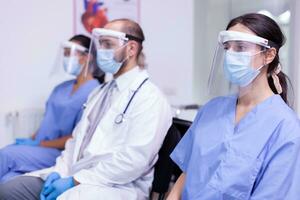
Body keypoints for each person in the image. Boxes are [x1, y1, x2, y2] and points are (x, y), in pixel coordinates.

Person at [0, 19, 172, 200]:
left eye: (108, 44)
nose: (101, 51)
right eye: (101, 44)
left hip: (115, 187)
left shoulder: (150, 98)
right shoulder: (99, 93)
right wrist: (60, 172)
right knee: (9, 190)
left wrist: (75, 181)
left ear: (131, 49)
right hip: (75, 175)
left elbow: (133, 161)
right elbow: (75, 143)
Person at [167, 13, 300, 200]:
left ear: (269, 55)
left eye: (240, 48)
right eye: (227, 48)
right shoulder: (211, 110)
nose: (230, 55)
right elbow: (188, 172)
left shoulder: (286, 127)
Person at [0, 34, 103, 183]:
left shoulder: (95, 92)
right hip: (40, 148)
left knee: (6, 154)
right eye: (65, 54)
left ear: (87, 57)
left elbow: (79, 136)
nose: (66, 58)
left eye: (70, 53)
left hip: (60, 153)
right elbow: (48, 122)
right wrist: (31, 141)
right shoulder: (61, 88)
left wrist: (39, 144)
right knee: (7, 179)